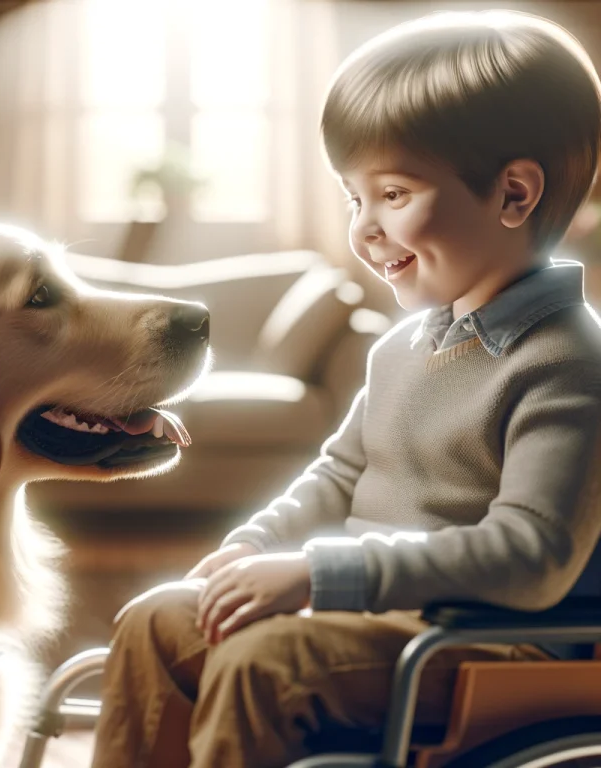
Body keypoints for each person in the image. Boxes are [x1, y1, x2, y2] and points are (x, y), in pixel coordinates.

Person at [91, 10, 601, 767]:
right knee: (159, 620)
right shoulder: (400, 349)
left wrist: (318, 574)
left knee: (265, 665)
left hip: (485, 644)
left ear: (514, 195)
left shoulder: (568, 362)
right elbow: (336, 475)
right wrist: (255, 546)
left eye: (392, 194)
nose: (363, 227)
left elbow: (530, 555)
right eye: (353, 197)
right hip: (372, 621)